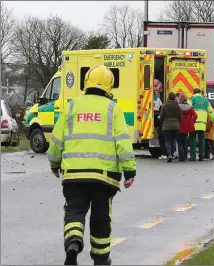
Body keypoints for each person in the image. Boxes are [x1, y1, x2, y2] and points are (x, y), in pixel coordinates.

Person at [47, 65, 136, 265]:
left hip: (73, 175)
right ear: (109, 86)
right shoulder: (113, 108)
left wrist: (54, 163)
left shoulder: (71, 106)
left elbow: (56, 141)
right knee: (101, 218)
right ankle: (101, 258)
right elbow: (122, 142)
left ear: (85, 82)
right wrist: (129, 170)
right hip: (105, 177)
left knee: (74, 211)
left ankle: (73, 242)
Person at [188, 88, 214, 161]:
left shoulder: (191, 99)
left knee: (192, 139)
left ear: (193, 92)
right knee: (202, 139)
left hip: (193, 122)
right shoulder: (205, 100)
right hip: (202, 123)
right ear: (200, 93)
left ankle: (193, 156)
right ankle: (201, 156)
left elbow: (189, 109)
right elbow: (210, 111)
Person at [160, 92, 182, 162]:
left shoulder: (165, 105)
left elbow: (161, 116)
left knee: (167, 141)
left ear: (168, 97)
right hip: (175, 126)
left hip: (166, 125)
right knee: (173, 141)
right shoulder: (177, 106)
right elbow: (180, 117)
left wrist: (162, 120)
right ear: (174, 97)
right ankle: (172, 154)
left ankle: (169, 155)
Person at [177, 94, 197, 161]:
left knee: (179, 142)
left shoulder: (178, 107)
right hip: (187, 126)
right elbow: (195, 115)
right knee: (185, 141)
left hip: (179, 126)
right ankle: (185, 156)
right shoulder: (190, 107)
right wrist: (192, 121)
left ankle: (181, 157)